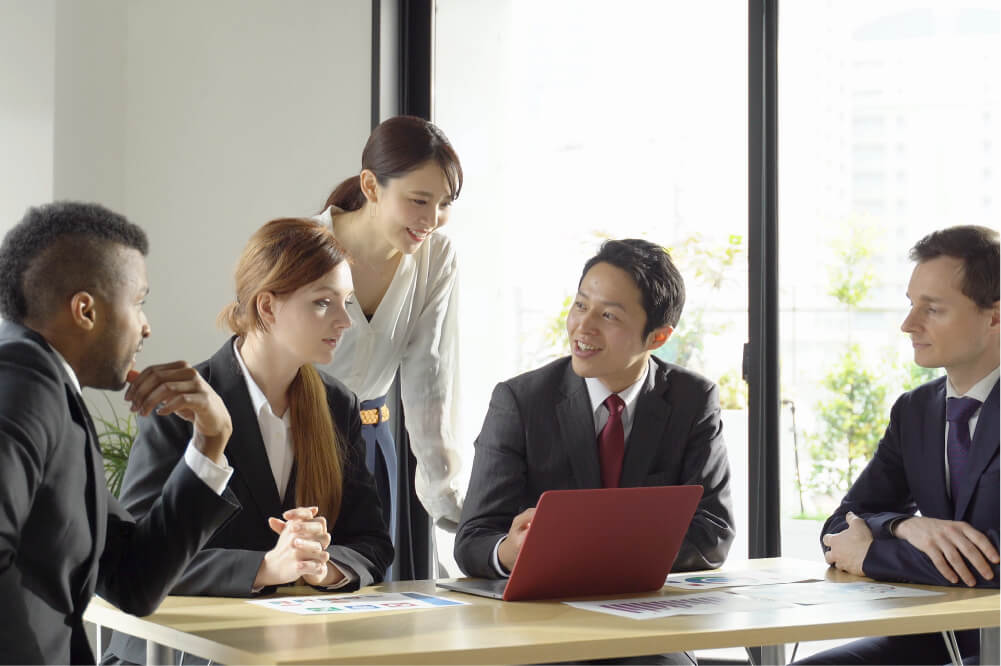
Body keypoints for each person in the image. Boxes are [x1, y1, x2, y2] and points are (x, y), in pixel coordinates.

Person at [104, 218, 394, 664]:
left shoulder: (338, 404)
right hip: (175, 652)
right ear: (268, 307)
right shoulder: (185, 402)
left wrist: (324, 564)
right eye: (323, 303)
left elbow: (372, 541)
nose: (345, 321)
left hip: (286, 648)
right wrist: (264, 568)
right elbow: (139, 552)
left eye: (347, 302)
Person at [455, 239, 734, 663]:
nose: (583, 327)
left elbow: (713, 532)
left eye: (608, 315)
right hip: (540, 634)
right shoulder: (521, 401)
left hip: (646, 631)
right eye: (580, 305)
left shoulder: (692, 400)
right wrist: (508, 553)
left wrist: (598, 556)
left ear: (657, 336)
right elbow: (473, 539)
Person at [0, 202, 239, 665]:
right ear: (85, 310)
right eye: (139, 302)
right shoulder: (23, 384)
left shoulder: (53, 391)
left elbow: (133, 580)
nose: (146, 326)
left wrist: (212, 440)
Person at [797, 225, 999, 665]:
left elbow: (994, 564)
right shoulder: (916, 411)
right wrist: (903, 526)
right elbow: (838, 527)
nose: (908, 325)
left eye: (933, 310)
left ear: (995, 316)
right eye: (912, 306)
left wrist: (871, 554)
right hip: (943, 635)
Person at [314, 115, 463, 578]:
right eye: (418, 200)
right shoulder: (301, 246)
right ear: (371, 186)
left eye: (444, 204)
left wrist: (449, 502)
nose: (431, 220)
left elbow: (428, 377)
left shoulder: (436, 257)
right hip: (297, 436)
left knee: (374, 606)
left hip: (373, 442)